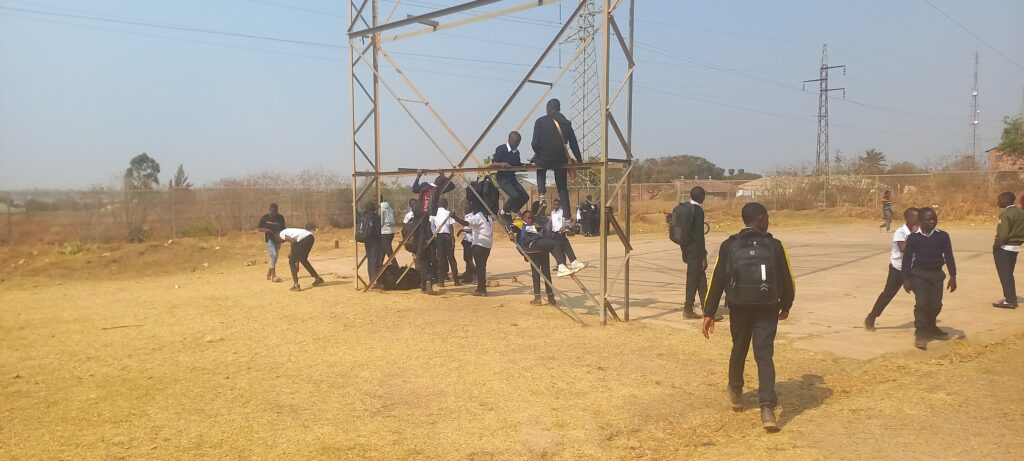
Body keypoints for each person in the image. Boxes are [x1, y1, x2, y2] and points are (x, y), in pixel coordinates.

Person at [701, 202, 795, 432]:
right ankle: (767, 408)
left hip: (739, 306)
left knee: (739, 348)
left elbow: (717, 280)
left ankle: (735, 392)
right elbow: (787, 278)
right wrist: (786, 305)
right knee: (764, 355)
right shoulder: (775, 245)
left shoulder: (729, 245)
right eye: (768, 217)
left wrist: (709, 312)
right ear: (761, 218)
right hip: (767, 307)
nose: (768, 221)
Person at [901, 207, 957, 350]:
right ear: (919, 221)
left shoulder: (942, 236)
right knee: (922, 304)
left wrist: (953, 276)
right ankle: (920, 333)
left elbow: (949, 256)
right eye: (929, 219)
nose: (933, 221)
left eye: (934, 218)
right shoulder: (914, 238)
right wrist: (905, 279)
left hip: (936, 275)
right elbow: (906, 259)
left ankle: (931, 327)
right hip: (919, 274)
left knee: (936, 305)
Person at [864, 207, 919, 330]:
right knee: (888, 294)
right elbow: (904, 249)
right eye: (917, 218)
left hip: (912, 269)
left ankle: (923, 322)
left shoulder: (919, 231)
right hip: (897, 269)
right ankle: (871, 317)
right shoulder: (901, 232)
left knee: (922, 294)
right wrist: (915, 237)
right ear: (909, 219)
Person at [531, 98, 582, 216]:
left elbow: (534, 144)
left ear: (548, 109)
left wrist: (538, 154)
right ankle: (568, 217)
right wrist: (579, 161)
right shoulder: (566, 123)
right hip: (560, 160)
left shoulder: (540, 121)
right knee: (562, 188)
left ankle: (542, 197)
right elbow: (574, 144)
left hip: (544, 159)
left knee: (540, 168)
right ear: (559, 109)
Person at [412, 171, 455, 294]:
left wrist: (418, 177)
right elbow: (452, 186)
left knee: (422, 257)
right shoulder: (438, 192)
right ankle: (428, 280)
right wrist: (443, 175)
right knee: (429, 257)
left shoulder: (425, 187)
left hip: (418, 227)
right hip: (427, 228)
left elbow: (414, 188)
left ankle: (424, 283)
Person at [515, 209, 586, 278]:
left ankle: (573, 262)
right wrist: (524, 254)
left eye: (531, 218)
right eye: (528, 218)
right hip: (532, 243)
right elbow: (511, 229)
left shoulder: (535, 225)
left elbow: (544, 231)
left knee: (563, 239)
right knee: (555, 244)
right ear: (523, 219)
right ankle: (561, 267)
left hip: (540, 239)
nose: (530, 220)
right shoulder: (520, 224)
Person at [677, 186, 709, 320]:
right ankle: (688, 309)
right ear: (701, 197)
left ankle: (707, 309)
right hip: (696, 250)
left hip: (687, 248)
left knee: (700, 278)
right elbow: (699, 236)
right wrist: (703, 255)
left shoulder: (685, 208)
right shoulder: (697, 211)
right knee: (693, 279)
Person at [491, 131, 530, 229]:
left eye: (518, 143)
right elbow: (493, 163)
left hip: (512, 178)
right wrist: (502, 164)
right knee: (515, 195)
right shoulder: (501, 149)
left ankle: (510, 212)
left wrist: (525, 166)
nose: (517, 144)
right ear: (509, 140)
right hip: (502, 178)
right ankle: (502, 212)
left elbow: (517, 165)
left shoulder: (516, 152)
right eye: (515, 142)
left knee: (525, 197)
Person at [455, 203, 494, 296]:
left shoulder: (478, 216)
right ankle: (481, 286)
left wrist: (454, 217)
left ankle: (481, 289)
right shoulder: (489, 219)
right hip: (487, 244)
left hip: (479, 244)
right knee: (482, 266)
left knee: (480, 266)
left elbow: (466, 223)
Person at [993, 192, 1023, 309]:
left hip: (1004, 248)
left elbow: (1003, 234)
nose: (997, 202)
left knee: (1005, 275)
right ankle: (1011, 298)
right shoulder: (1021, 212)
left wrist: (996, 245)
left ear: (1005, 200)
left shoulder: (1005, 214)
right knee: (1009, 274)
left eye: (999, 199)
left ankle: (1010, 300)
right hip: (1016, 247)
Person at [279, 227, 325, 291]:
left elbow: (293, 242)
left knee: (291, 261)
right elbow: (296, 244)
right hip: (310, 237)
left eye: (281, 242)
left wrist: (292, 254)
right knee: (303, 259)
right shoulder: (287, 232)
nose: (283, 242)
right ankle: (317, 278)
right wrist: (296, 262)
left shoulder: (281, 234)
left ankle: (296, 285)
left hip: (305, 239)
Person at [430, 198, 460, 287]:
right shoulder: (448, 213)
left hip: (439, 237)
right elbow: (451, 227)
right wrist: (452, 239)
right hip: (447, 237)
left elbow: (432, 227)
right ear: (445, 204)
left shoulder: (433, 214)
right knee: (451, 259)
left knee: (441, 259)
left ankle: (441, 281)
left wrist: (435, 237)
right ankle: (456, 280)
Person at [256, 203, 286, 282]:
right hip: (269, 238)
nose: (274, 213)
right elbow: (259, 228)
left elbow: (283, 229)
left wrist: (283, 239)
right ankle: (273, 276)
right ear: (269, 210)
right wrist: (267, 230)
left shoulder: (280, 218)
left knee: (275, 258)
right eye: (273, 211)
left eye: (276, 211)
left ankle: (269, 273)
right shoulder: (265, 218)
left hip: (278, 239)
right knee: (273, 254)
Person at [549, 198, 579, 268]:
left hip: (561, 232)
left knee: (565, 246)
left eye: (557, 205)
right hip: (554, 233)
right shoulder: (552, 213)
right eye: (554, 205)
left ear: (560, 205)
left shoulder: (563, 212)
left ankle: (568, 262)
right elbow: (551, 222)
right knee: (559, 250)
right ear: (553, 205)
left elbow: (571, 220)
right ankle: (562, 264)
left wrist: (565, 227)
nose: (556, 206)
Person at [359, 201, 382, 286]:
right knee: (375, 260)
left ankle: (371, 279)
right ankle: (374, 280)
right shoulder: (376, 217)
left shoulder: (364, 216)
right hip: (375, 241)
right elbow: (378, 230)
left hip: (367, 240)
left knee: (370, 259)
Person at [380, 201, 399, 272]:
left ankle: (397, 269)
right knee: (382, 251)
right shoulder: (390, 208)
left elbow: (380, 222)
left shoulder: (381, 209)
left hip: (384, 232)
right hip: (390, 231)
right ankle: (378, 267)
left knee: (389, 252)